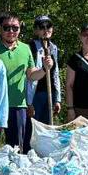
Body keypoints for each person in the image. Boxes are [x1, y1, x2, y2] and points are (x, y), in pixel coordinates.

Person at [0, 12, 49, 149]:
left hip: (18, 105)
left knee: (17, 147)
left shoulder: (25, 49)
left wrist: (44, 69)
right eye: (6, 27)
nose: (11, 31)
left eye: (15, 28)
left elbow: (31, 75)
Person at [26, 15, 60, 150]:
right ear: (36, 30)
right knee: (33, 130)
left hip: (49, 94)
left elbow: (55, 73)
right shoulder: (31, 48)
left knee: (47, 130)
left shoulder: (53, 48)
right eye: (42, 27)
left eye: (48, 26)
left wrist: (58, 99)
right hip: (35, 95)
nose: (46, 29)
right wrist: (29, 102)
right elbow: (29, 77)